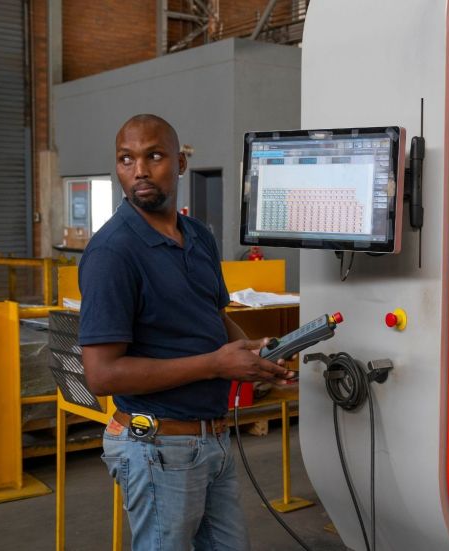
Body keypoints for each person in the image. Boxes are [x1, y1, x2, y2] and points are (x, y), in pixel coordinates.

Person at [78, 114, 293, 551]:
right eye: (126, 159)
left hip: (211, 440)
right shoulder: (113, 252)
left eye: (153, 156)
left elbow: (213, 317)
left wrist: (249, 351)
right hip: (156, 447)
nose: (139, 170)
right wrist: (217, 364)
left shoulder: (197, 236)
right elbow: (101, 376)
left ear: (180, 163)